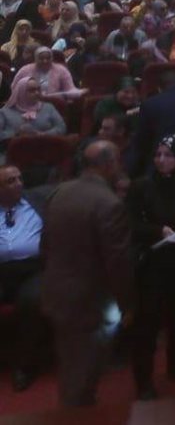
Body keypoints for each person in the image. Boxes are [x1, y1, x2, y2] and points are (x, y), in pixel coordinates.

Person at [40, 140, 135, 407]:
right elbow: (118, 264)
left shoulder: (59, 192)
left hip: (57, 293)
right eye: (118, 160)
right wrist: (127, 304)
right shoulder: (109, 204)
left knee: (70, 367)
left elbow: (44, 247)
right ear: (109, 165)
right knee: (81, 380)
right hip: (89, 304)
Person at [126, 135, 175, 399]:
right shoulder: (142, 186)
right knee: (147, 323)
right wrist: (157, 231)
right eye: (158, 154)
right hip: (152, 262)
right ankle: (143, 380)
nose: (161, 160)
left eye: (168, 155)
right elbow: (130, 224)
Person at [0, 163, 54, 392]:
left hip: (34, 269)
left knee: (31, 301)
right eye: (10, 181)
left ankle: (25, 365)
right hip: (2, 271)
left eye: (20, 178)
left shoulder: (39, 200)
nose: (18, 184)